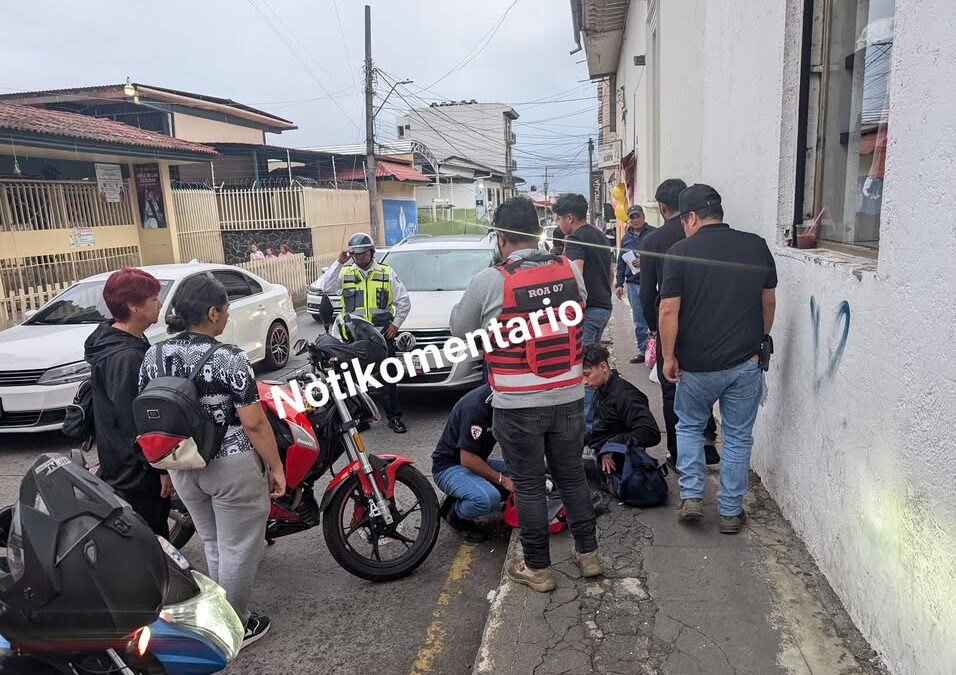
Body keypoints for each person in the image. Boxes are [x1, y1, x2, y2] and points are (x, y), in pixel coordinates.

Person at [450, 197, 601, 593]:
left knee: (530, 484)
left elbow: (461, 331)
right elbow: (579, 308)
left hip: (517, 404)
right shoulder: (568, 269)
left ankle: (539, 568)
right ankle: (589, 556)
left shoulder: (491, 280)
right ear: (537, 231)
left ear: (500, 237)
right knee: (571, 477)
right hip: (569, 395)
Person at [138, 274, 287, 646]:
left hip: (183, 463)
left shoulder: (153, 354)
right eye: (224, 310)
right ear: (211, 312)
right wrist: (276, 466)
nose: (225, 316)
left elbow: (146, 415)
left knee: (214, 542)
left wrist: (162, 468)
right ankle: (234, 626)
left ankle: (219, 614)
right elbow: (253, 422)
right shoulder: (229, 357)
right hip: (230, 464)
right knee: (238, 547)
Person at [658, 184, 777, 534]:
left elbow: (668, 310)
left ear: (692, 217)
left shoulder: (680, 252)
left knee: (690, 426)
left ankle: (692, 496)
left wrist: (668, 357)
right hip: (744, 363)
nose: (683, 227)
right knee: (738, 436)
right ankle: (729, 511)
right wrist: (759, 340)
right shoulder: (756, 245)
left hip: (696, 366)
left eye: (684, 220)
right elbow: (768, 301)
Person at [84, 267, 171, 537]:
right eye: (153, 298)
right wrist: (160, 468)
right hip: (135, 470)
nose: (159, 303)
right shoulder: (126, 357)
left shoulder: (110, 338)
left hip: (116, 458)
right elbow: (135, 421)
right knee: (151, 535)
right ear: (134, 306)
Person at [640, 179, 719, 469]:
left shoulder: (654, 240)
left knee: (671, 389)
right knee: (705, 380)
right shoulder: (709, 234)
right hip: (707, 321)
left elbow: (649, 294)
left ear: (662, 207)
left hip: (670, 323)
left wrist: (653, 328)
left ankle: (677, 452)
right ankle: (706, 436)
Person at [315, 231, 411, 433]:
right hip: (353, 337)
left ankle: (393, 418)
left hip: (381, 335)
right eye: (356, 254)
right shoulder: (346, 272)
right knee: (353, 378)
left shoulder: (386, 272)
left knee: (389, 377)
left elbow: (404, 302)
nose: (359, 257)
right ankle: (361, 417)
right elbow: (323, 286)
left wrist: (396, 325)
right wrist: (339, 262)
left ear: (371, 252)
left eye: (363, 253)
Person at [552, 193, 612, 434]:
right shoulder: (599, 235)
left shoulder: (575, 239)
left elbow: (575, 275)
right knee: (596, 368)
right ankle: (597, 419)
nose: (558, 223)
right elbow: (609, 272)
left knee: (585, 372)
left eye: (558, 218)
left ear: (569, 217)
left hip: (586, 312)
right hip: (603, 307)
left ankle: (585, 428)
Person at [432, 384, 510, 543]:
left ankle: (467, 491)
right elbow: (467, 459)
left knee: (523, 476)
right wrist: (504, 480)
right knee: (489, 499)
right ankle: (456, 514)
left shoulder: (505, 399)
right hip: (449, 466)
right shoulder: (476, 407)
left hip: (476, 460)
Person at [582, 344, 662, 475]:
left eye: (587, 374)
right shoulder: (601, 388)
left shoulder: (626, 396)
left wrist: (613, 445)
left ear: (603, 367)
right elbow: (602, 428)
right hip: (600, 448)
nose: (584, 381)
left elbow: (650, 432)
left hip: (618, 462)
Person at [615, 205, 656, 364]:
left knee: (653, 317)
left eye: (637, 216)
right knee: (639, 321)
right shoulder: (626, 238)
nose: (635, 220)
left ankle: (657, 350)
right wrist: (619, 283)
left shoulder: (654, 234)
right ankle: (643, 351)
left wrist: (645, 260)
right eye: (632, 217)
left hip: (651, 282)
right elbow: (620, 261)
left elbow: (660, 255)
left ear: (644, 217)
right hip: (632, 284)